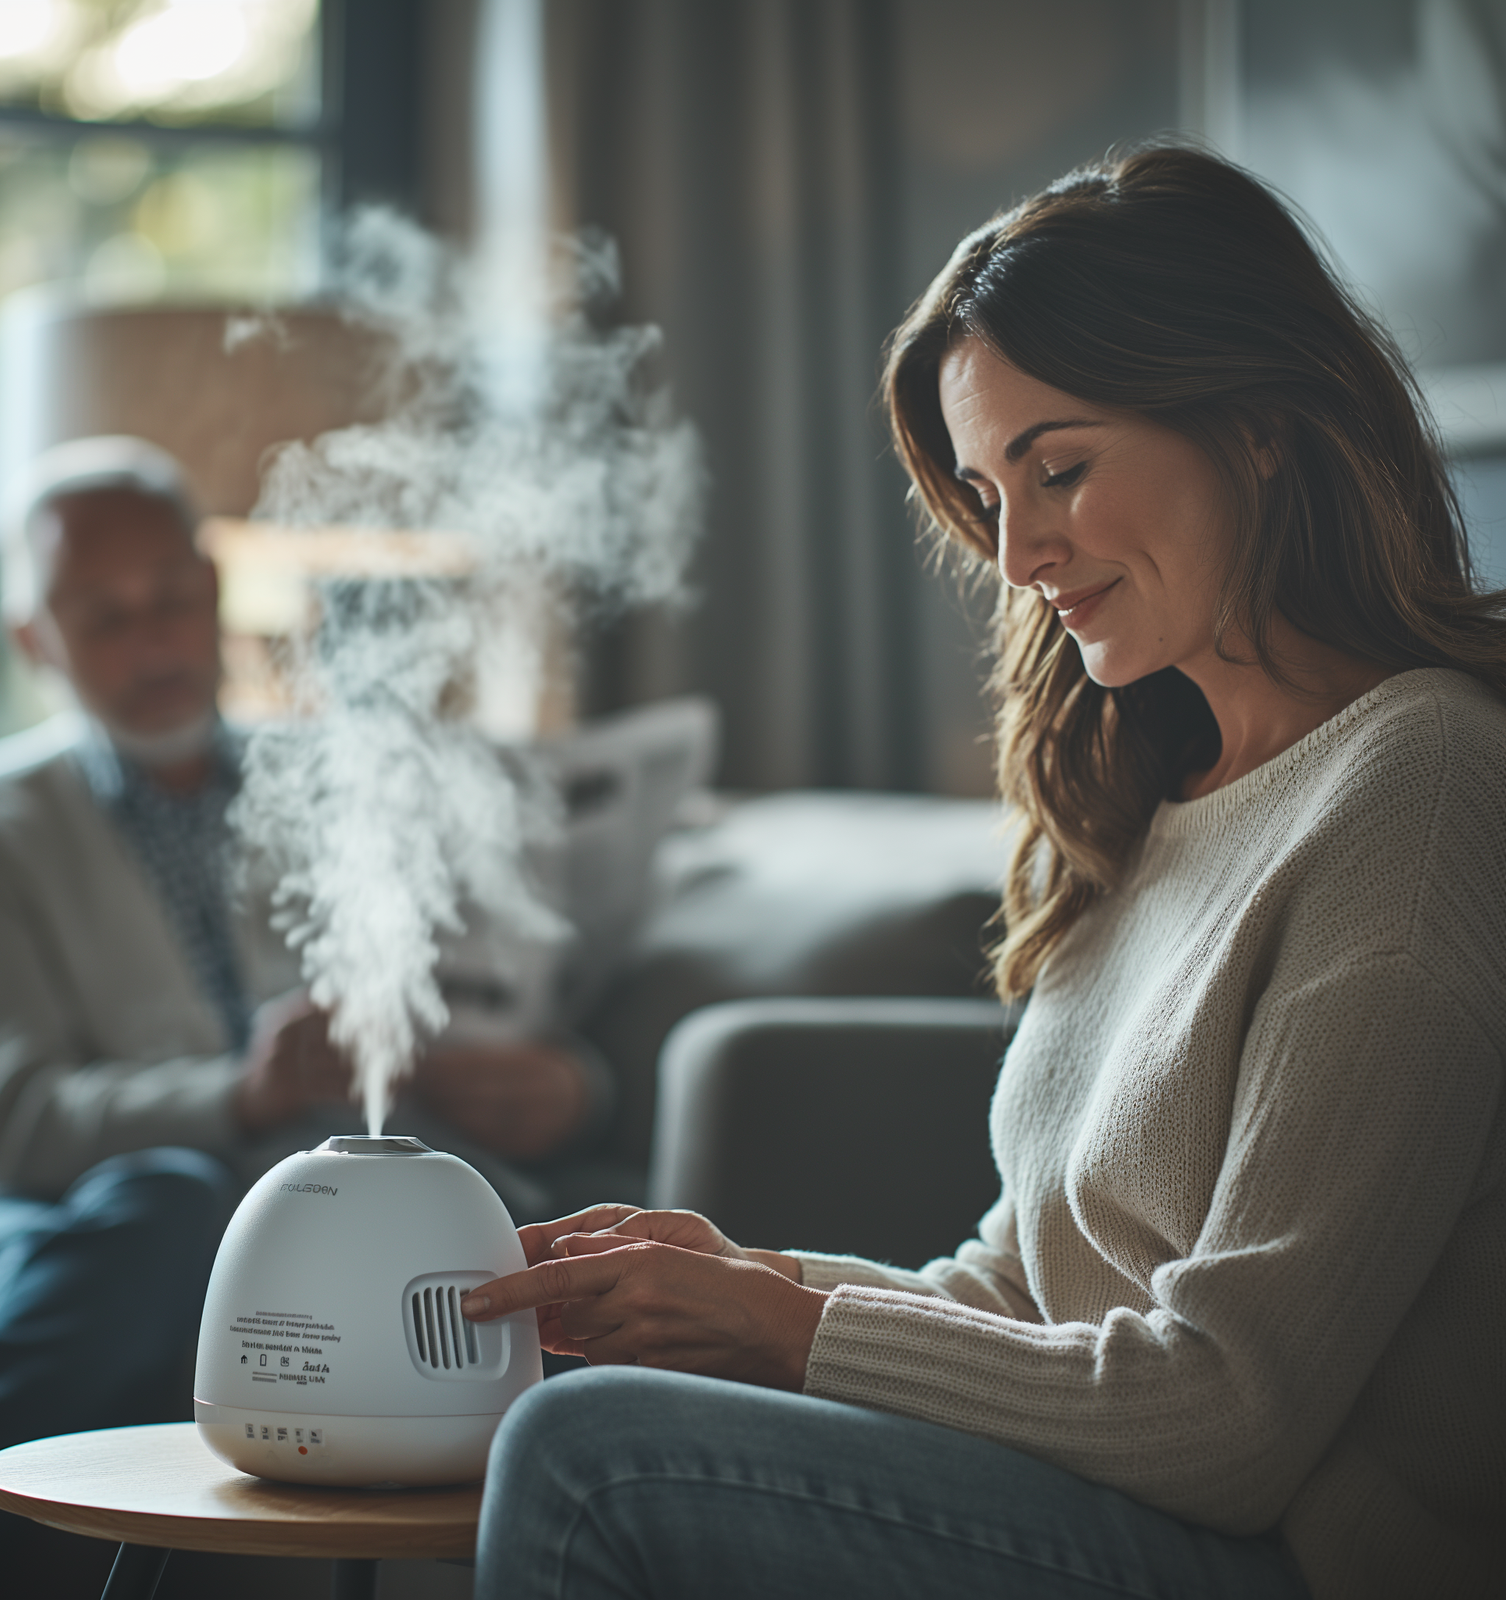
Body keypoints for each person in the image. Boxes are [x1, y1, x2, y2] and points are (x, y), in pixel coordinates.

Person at [458, 145, 1506, 1600]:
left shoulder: (1420, 785)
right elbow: (1019, 1296)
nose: (1017, 554)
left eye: (1059, 469)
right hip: (1136, 1512)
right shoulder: (1150, 806)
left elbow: (1228, 1418)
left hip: (1291, 1562)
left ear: (1260, 426)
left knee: (593, 1457)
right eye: (985, 492)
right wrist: (751, 1285)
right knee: (588, 1404)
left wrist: (782, 1330)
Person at [0, 436, 608, 1584]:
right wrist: (245, 1093)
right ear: (33, 639)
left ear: (216, 588)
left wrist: (559, 1087)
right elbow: (15, 1128)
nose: (152, 641)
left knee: (569, 1253)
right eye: (105, 616)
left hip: (317, 1224)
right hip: (39, 1220)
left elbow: (510, 1015)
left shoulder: (334, 786)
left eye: (171, 598)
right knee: (169, 1213)